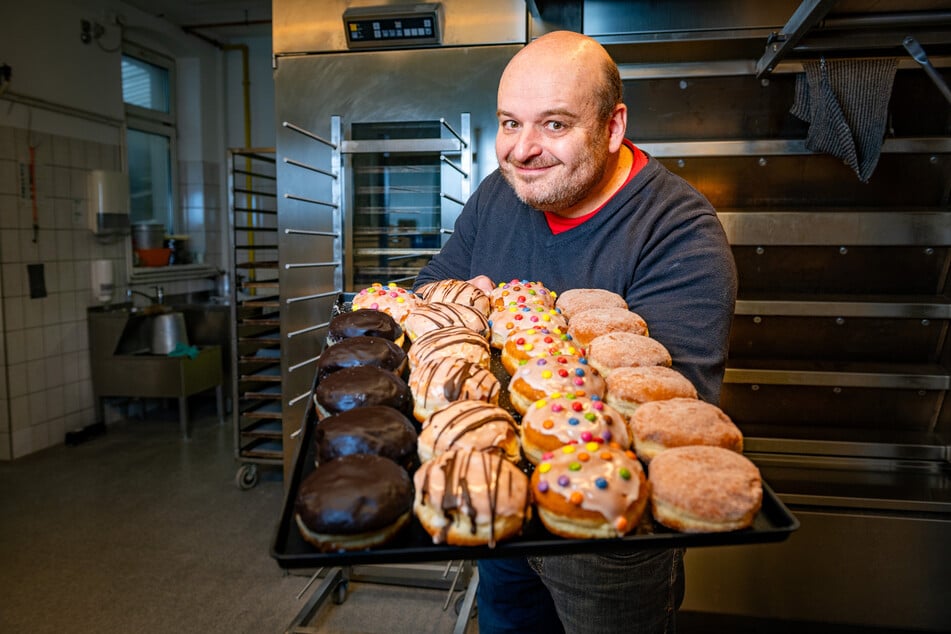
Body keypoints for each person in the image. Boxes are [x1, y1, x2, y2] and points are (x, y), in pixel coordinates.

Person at [414, 30, 737, 634]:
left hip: (605, 530)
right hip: (502, 494)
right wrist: (456, 305)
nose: (522, 150)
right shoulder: (498, 195)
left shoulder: (679, 230)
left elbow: (663, 408)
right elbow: (432, 287)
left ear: (613, 127)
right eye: (510, 123)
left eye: (555, 125)